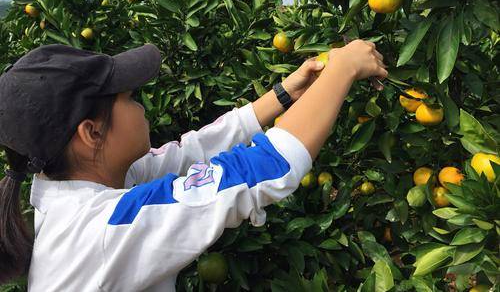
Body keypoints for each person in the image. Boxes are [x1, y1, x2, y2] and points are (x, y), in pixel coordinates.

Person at [0, 41, 386, 291]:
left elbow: (190, 152)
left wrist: (285, 94)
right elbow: (259, 169)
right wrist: (343, 70)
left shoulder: (86, 185)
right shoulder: (105, 228)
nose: (140, 107)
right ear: (91, 133)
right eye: (130, 98)